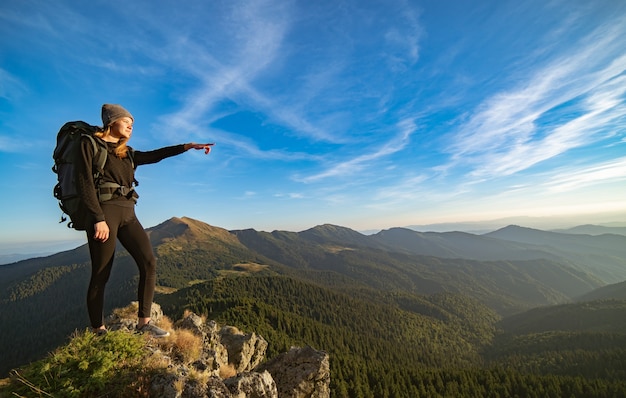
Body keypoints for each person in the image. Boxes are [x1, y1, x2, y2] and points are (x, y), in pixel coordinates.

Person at [77, 104, 213, 337]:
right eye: (126, 120)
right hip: (104, 213)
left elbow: (156, 155)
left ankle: (144, 323)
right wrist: (98, 218)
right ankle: (98, 329)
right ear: (111, 121)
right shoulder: (90, 145)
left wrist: (187, 146)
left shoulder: (126, 152)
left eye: (132, 123)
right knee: (101, 272)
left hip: (129, 213)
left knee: (149, 262)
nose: (131, 125)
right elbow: (84, 183)